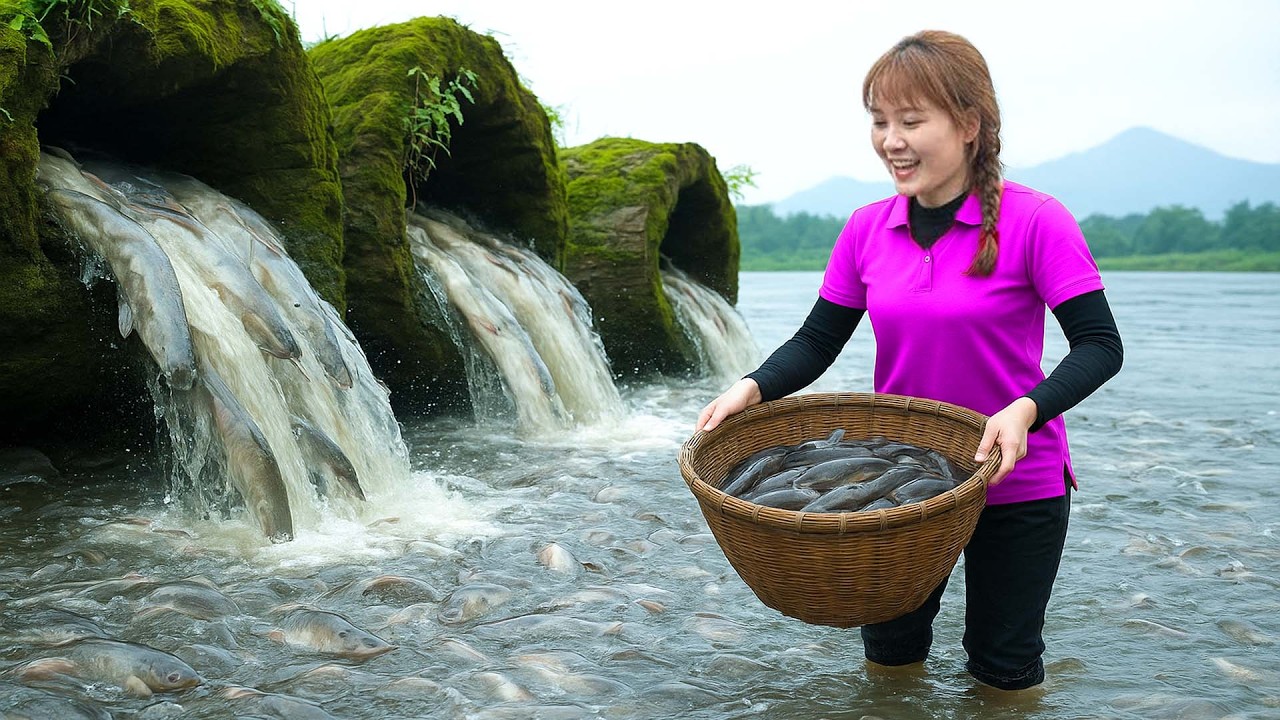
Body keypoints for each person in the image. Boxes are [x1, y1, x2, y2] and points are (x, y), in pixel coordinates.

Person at [696, 30, 1123, 691]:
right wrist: (751, 388)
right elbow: (817, 341)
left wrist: (1025, 410)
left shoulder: (1038, 222)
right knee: (891, 667)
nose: (891, 139)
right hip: (895, 482)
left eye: (911, 121)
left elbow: (1100, 344)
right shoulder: (867, 229)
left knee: (1003, 673)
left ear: (970, 125)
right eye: (879, 121)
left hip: (1016, 477)